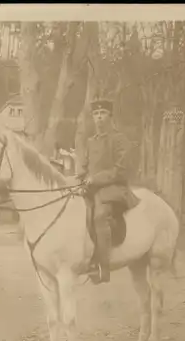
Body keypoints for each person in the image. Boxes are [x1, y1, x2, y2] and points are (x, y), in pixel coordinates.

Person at [77, 98, 136, 284]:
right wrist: (80, 179)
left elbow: (120, 171)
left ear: (110, 116)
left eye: (102, 113)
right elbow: (84, 167)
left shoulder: (119, 139)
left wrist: (95, 179)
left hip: (114, 189)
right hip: (93, 189)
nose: (99, 117)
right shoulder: (90, 141)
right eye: (95, 114)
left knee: (99, 216)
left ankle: (103, 267)